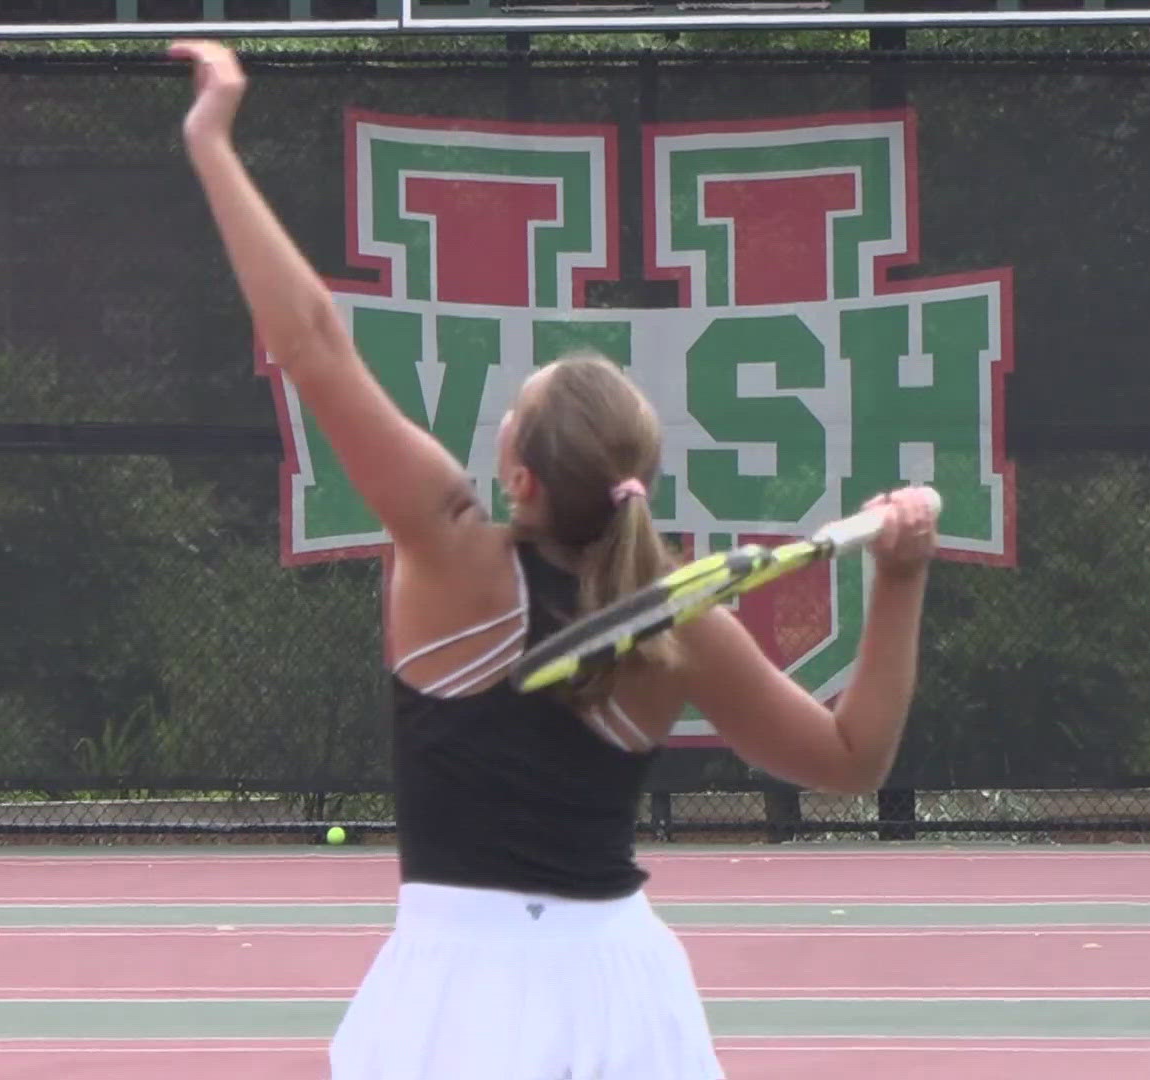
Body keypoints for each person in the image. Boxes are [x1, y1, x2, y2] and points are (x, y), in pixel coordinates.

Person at [168, 40, 940, 1079]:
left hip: (455, 991)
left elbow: (310, 340)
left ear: (521, 475)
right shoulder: (678, 625)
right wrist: (902, 576)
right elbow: (854, 764)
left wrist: (212, 139)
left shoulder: (449, 552)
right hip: (616, 988)